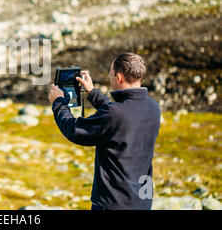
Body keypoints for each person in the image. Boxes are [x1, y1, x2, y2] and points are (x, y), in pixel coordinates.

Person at [48, 52, 161, 210]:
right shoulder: (153, 108)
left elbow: (74, 131)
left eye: (111, 73)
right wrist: (93, 93)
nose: (110, 76)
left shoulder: (115, 114)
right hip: (142, 201)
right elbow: (120, 116)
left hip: (113, 204)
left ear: (119, 77)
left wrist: (58, 103)